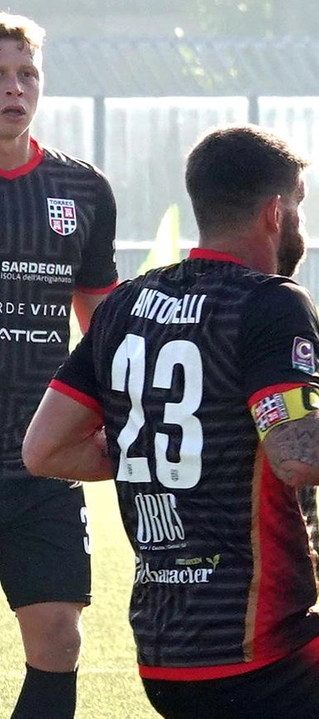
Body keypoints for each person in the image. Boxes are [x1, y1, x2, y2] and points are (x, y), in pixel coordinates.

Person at [20, 125, 319, 719]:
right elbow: (300, 454)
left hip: (165, 660)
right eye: (300, 206)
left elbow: (46, 450)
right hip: (268, 655)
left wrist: (189, 446)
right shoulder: (271, 301)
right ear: (275, 211)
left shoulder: (123, 306)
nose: (301, 225)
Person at [0, 14, 118, 719]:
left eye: (26, 75)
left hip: (38, 460)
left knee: (58, 638)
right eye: (0, 76)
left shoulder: (81, 189)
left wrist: (119, 417)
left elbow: (101, 325)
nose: (14, 89)